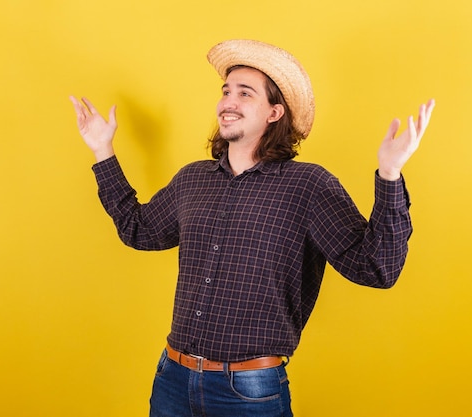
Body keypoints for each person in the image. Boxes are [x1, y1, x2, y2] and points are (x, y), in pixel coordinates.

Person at [70, 39, 435, 417]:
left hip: (249, 393)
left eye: (245, 94)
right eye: (226, 91)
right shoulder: (193, 179)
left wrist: (389, 175)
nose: (229, 102)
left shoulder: (308, 186)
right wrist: (102, 151)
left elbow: (376, 269)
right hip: (172, 380)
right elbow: (138, 230)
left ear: (274, 112)